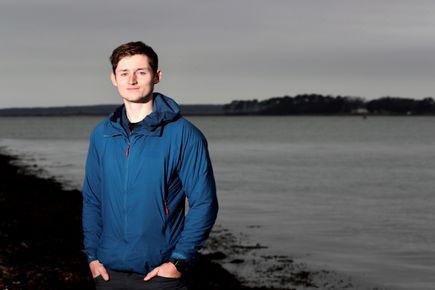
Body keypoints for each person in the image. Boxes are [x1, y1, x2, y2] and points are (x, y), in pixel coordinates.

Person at [82, 41, 218, 290]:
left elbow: (204, 203)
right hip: (108, 274)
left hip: (160, 275)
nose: (131, 80)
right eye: (124, 73)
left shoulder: (184, 135)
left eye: (141, 72)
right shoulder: (102, 134)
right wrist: (92, 257)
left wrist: (178, 262)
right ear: (114, 78)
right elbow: (92, 199)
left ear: (157, 76)